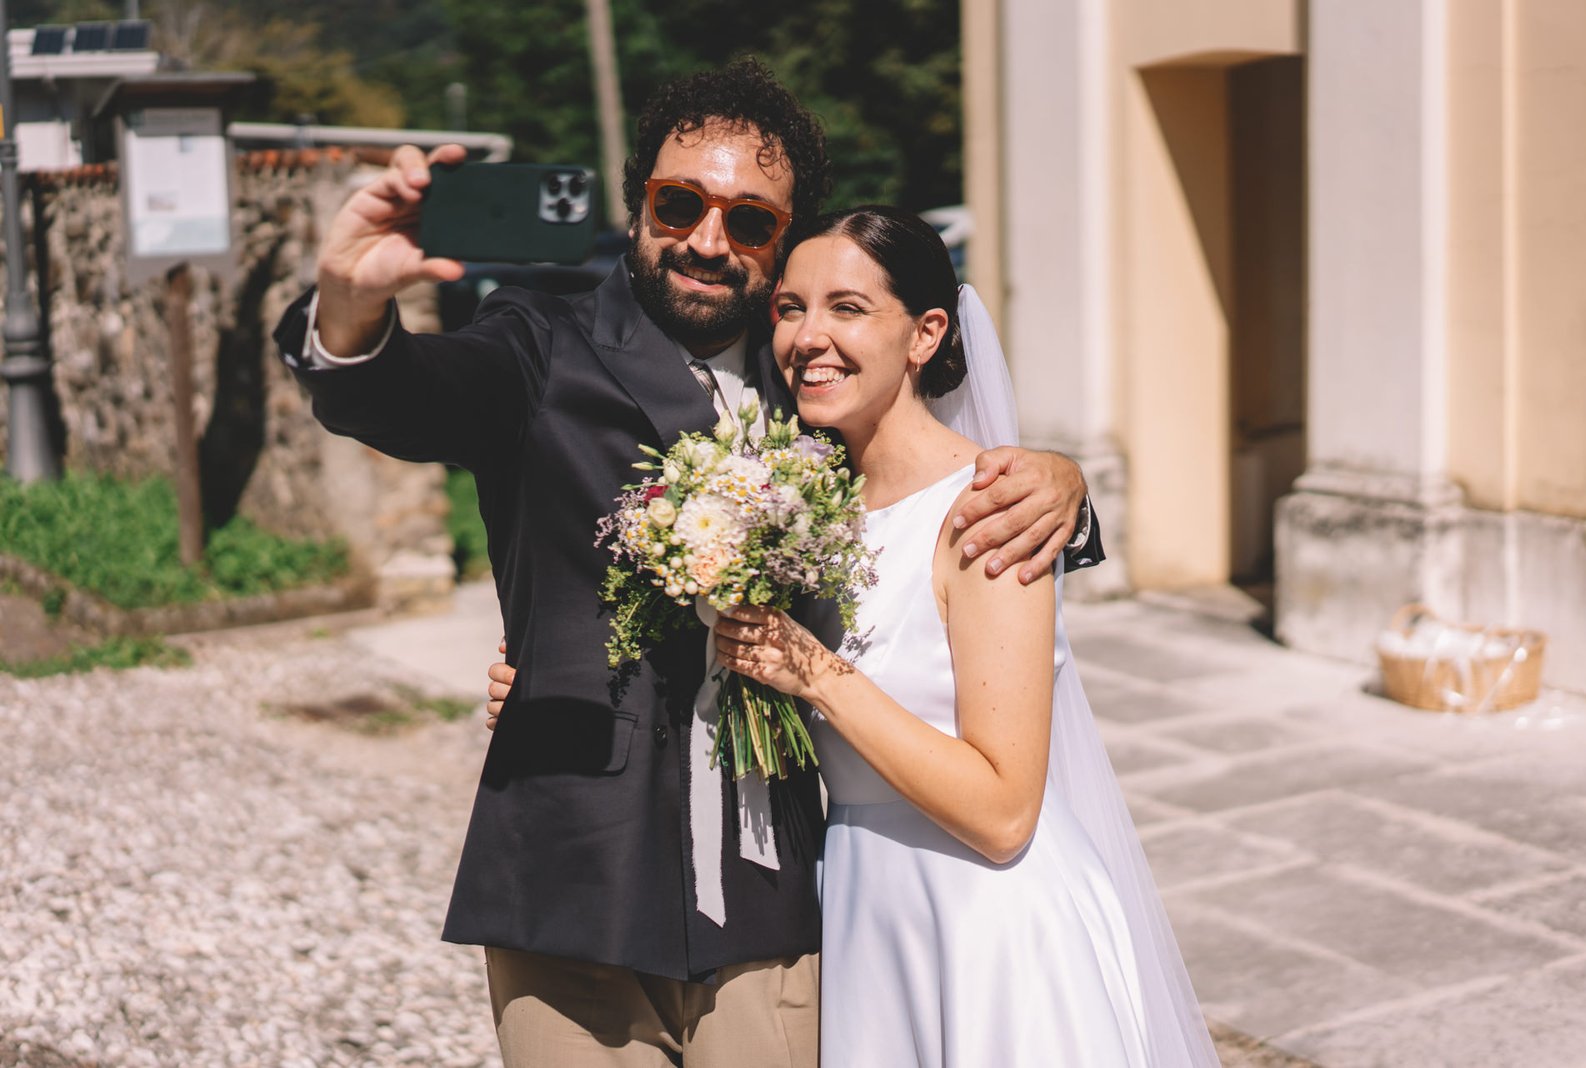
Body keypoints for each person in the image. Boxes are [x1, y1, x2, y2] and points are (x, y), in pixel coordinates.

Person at [276, 59, 1101, 1067]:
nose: (709, 240)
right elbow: (401, 395)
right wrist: (348, 306)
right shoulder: (538, 344)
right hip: (570, 887)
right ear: (639, 206)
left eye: (749, 221)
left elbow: (921, 489)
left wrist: (1059, 481)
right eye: (679, 204)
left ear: (782, 240)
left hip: (771, 894)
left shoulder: (815, 376)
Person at [704, 206, 1220, 1066]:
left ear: (926, 334)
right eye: (790, 308)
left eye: (847, 308)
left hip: (986, 924)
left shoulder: (991, 512)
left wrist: (815, 672)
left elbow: (1004, 811)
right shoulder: (804, 511)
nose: (808, 336)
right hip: (866, 905)